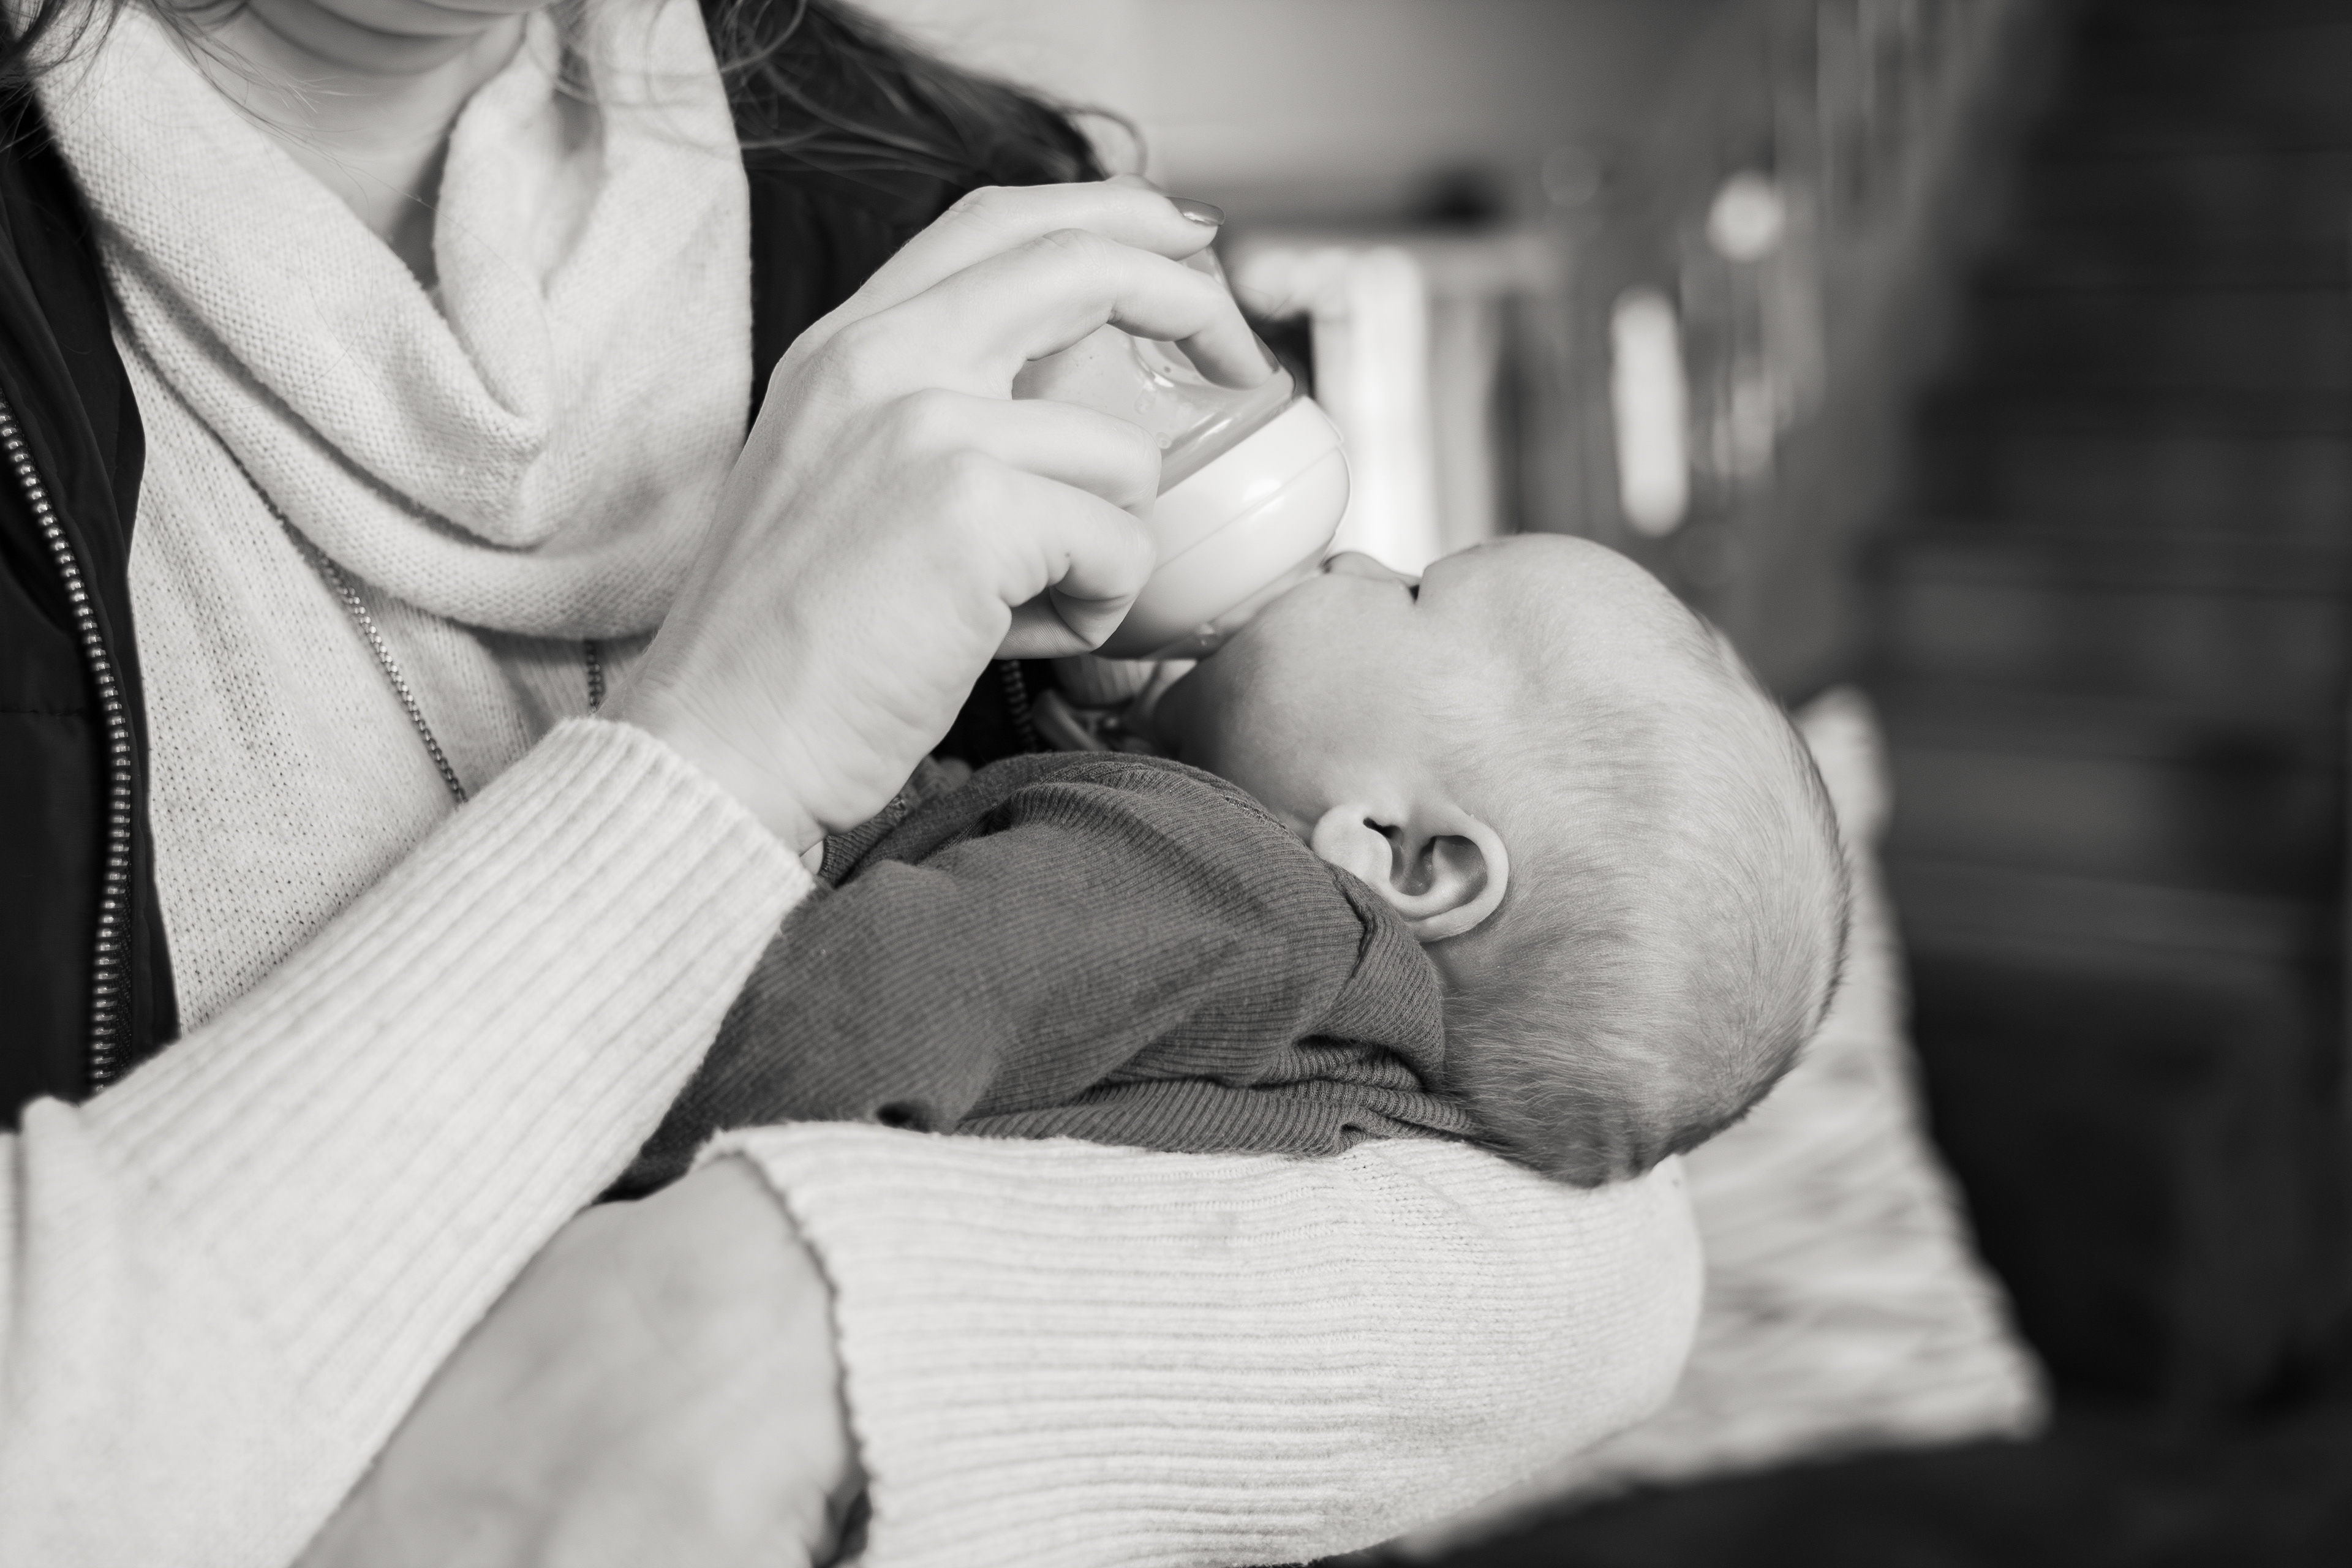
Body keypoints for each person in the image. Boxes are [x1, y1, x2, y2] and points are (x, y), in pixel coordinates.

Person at [0, 1, 1704, 1565]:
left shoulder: (948, 191)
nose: (1365, 573)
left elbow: (1609, 1194)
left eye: (1410, 588)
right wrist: (719, 751)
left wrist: (791, 1321)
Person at [634, 535, 1847, 1192]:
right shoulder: (1337, 1053)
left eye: (1412, 591)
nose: (1356, 559)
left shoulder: (1231, 890)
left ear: (1403, 858)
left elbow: (847, 1030)